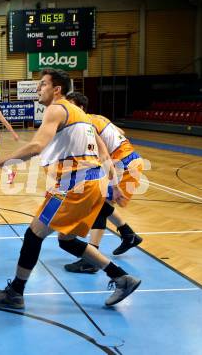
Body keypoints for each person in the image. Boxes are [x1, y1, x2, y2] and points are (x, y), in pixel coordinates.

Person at [0, 69, 141, 309]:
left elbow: (36, 146)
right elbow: (104, 153)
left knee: (34, 234)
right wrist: (113, 184)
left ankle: (15, 292)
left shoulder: (56, 109)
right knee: (67, 240)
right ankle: (121, 277)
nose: (38, 88)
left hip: (73, 185)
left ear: (57, 89)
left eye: (42, 84)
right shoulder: (83, 116)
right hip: (92, 182)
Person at [64, 92, 143, 274]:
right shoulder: (98, 117)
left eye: (71, 105)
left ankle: (92, 259)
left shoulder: (86, 124)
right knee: (100, 203)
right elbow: (121, 133)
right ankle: (127, 234)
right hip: (128, 158)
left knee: (97, 205)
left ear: (81, 108)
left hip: (123, 162)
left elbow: (101, 153)